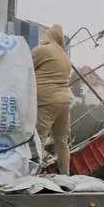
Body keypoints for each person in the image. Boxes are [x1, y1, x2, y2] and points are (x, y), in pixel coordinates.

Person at [31, 24, 73, 175]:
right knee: (62, 141)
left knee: (38, 138)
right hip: (65, 101)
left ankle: (33, 173)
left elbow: (25, 68)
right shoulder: (65, 57)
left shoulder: (42, 51)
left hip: (47, 101)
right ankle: (66, 174)